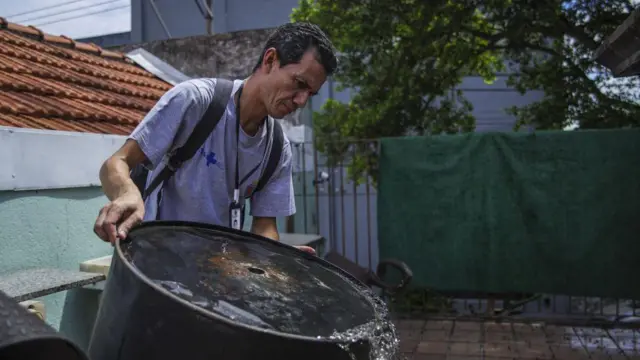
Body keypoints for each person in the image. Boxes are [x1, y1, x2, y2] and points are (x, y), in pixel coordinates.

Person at [93, 22, 337, 254]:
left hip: (214, 280)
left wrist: (272, 256)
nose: (301, 101)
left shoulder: (277, 147)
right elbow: (116, 163)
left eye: (310, 94)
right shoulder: (196, 101)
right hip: (153, 266)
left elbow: (265, 225)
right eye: (299, 83)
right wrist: (126, 193)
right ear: (270, 59)